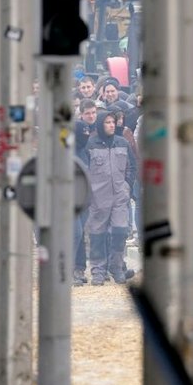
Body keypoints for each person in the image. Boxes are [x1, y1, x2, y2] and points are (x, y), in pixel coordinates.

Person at [83, 109, 136, 285]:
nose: (112, 125)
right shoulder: (90, 144)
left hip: (120, 196)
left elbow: (132, 166)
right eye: (107, 122)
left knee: (120, 231)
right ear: (100, 124)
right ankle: (98, 270)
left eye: (113, 122)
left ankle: (116, 266)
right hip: (98, 198)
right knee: (97, 235)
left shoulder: (122, 143)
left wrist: (127, 185)